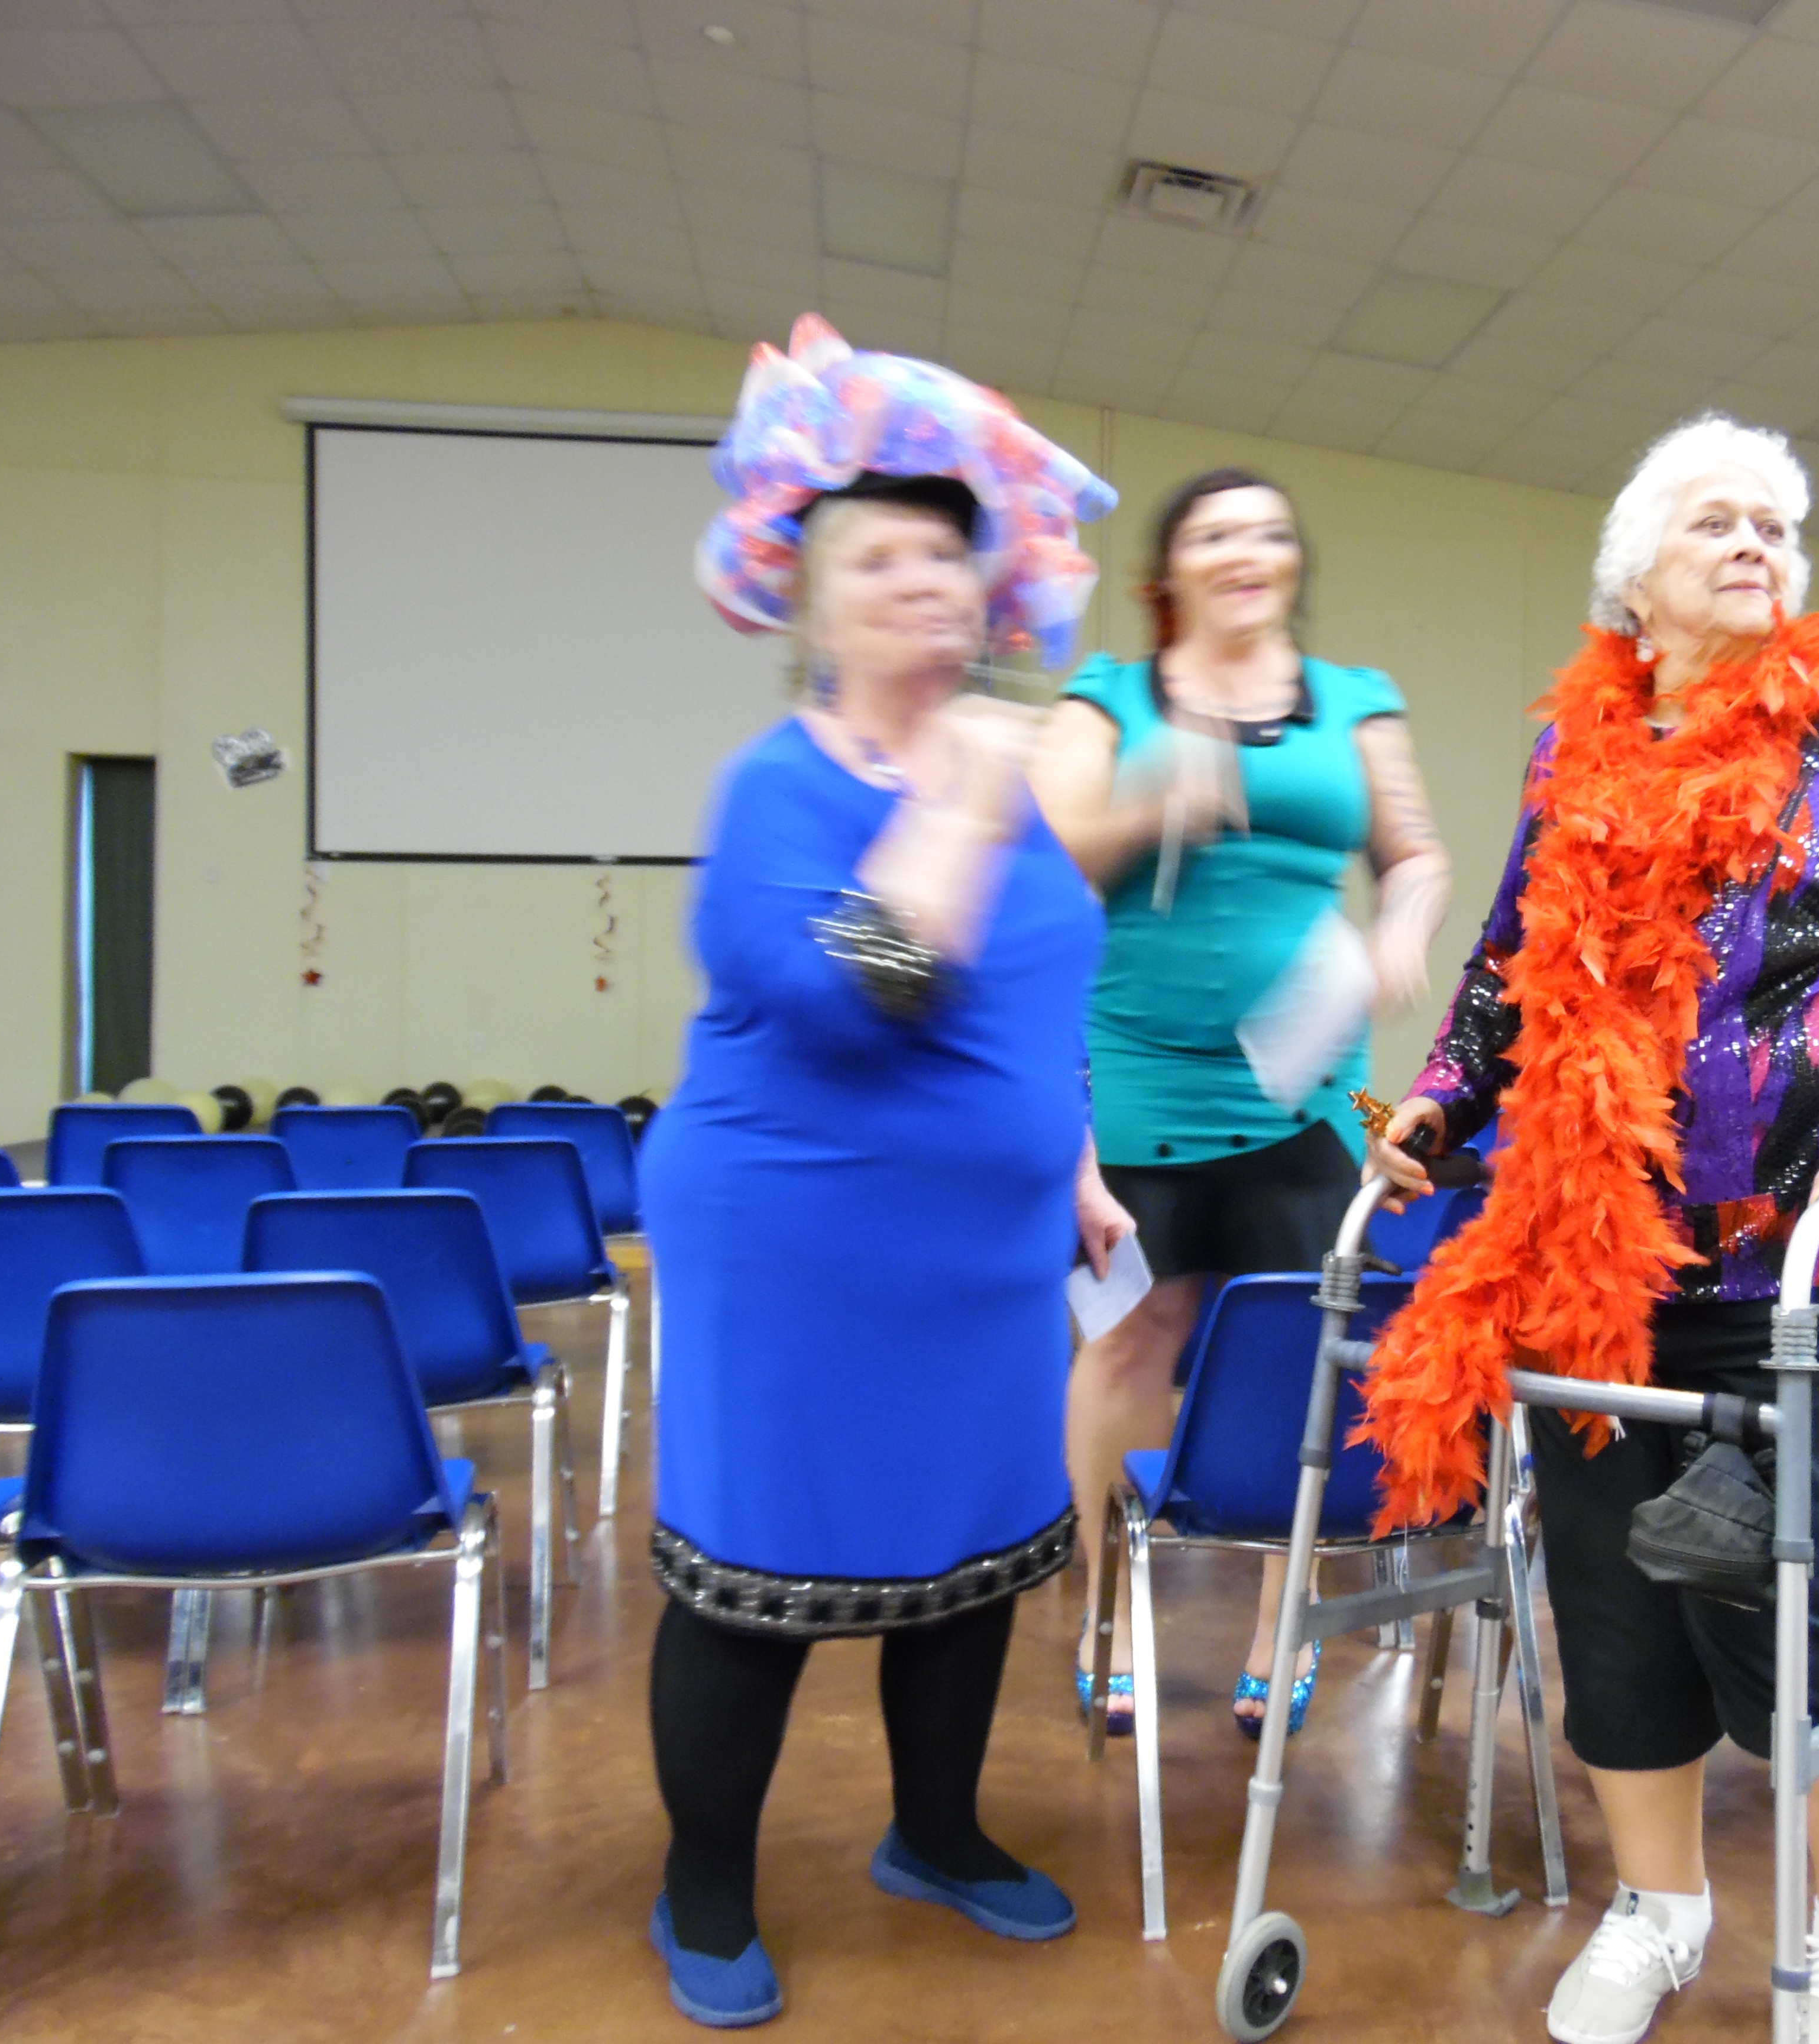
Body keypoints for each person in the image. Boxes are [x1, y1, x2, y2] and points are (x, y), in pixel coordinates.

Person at [1358, 415, 1819, 2044]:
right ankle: (1658, 1910)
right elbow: (1508, 971)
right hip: (1588, 1271)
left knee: (1792, 1611)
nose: (1754, 545)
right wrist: (1437, 1106)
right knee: (1612, 1614)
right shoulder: (1571, 761)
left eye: (1775, 526)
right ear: (1633, 583)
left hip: (1791, 1276)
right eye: (1716, 521)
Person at [640, 315, 1131, 2029]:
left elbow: (1038, 994)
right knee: (759, 1571)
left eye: (946, 552)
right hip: (797, 1244)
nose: (923, 579)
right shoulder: (778, 791)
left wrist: (1074, 1163)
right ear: (810, 603)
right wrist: (962, 806)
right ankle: (705, 1883)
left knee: (973, 1551)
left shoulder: (1005, 780)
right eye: (878, 558)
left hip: (987, 1260)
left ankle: (935, 1832)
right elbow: (862, 993)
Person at [1028, 468, 1452, 1736]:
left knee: (1301, 1344)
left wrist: (1404, 929)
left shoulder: (1356, 700)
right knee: (1128, 1336)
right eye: (1214, 533)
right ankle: (1106, 1613)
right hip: (1132, 1075)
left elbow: (1414, 854)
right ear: (1171, 570)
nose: (1244, 551)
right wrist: (1159, 804)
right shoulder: (1109, 696)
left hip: (1302, 1082)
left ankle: (1284, 1623)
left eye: (1268, 531)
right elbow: (1044, 860)